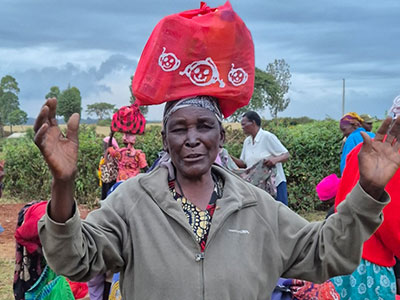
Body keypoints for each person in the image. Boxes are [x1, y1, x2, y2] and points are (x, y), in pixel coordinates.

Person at [34, 3, 400, 300]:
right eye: (179, 129)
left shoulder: (258, 207)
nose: (192, 138)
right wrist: (62, 184)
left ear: (221, 137)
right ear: (165, 140)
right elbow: (75, 258)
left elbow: (325, 251)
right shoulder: (131, 203)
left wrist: (366, 192)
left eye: (204, 126)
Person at [331, 96, 400, 300]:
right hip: (371, 266)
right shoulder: (393, 160)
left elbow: (340, 202)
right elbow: (390, 222)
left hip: (340, 254)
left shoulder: (359, 150)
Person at [231, 111, 290, 205]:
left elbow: (286, 155)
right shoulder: (247, 141)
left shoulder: (267, 137)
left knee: (281, 214)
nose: (242, 127)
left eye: (244, 124)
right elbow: (244, 164)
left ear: (253, 123)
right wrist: (226, 155)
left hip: (275, 184)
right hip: (258, 186)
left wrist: (275, 160)